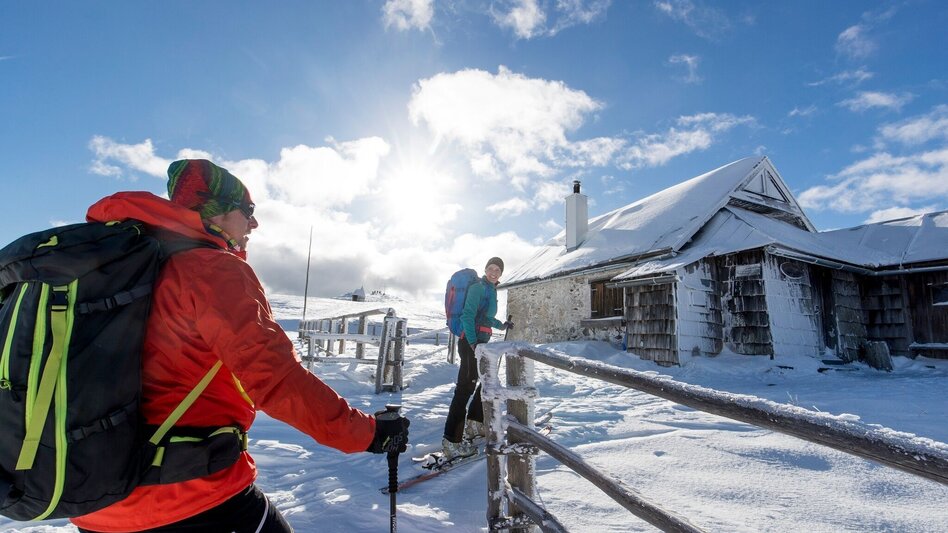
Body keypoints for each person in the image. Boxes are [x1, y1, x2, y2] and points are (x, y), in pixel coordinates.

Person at [71, 159, 409, 533]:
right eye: (247, 211)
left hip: (93, 499)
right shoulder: (212, 270)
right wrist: (368, 433)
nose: (254, 223)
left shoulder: (107, 272)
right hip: (188, 494)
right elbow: (276, 380)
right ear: (213, 212)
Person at [442, 257, 512, 459]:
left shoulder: (491, 290)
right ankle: (451, 442)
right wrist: (473, 343)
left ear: (501, 273)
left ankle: (473, 423)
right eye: (491, 268)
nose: (493, 272)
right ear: (485, 269)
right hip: (470, 343)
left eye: (497, 269)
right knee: (464, 390)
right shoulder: (478, 288)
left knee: (483, 381)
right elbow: (467, 315)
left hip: (480, 343)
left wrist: (502, 325)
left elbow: (486, 318)